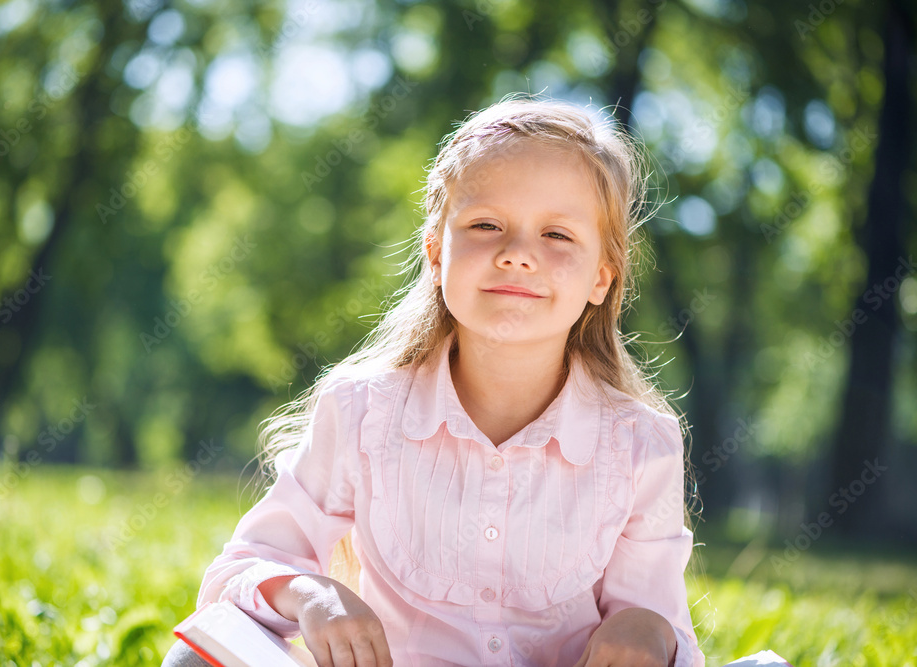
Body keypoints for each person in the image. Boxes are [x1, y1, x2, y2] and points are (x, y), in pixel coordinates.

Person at [163, 94, 705, 667]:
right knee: (195, 660)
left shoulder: (642, 445)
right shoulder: (361, 411)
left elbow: (658, 618)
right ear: (436, 254)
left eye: (557, 235)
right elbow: (241, 568)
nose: (518, 254)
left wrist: (644, 630)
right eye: (486, 224)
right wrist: (311, 594)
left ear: (602, 276)